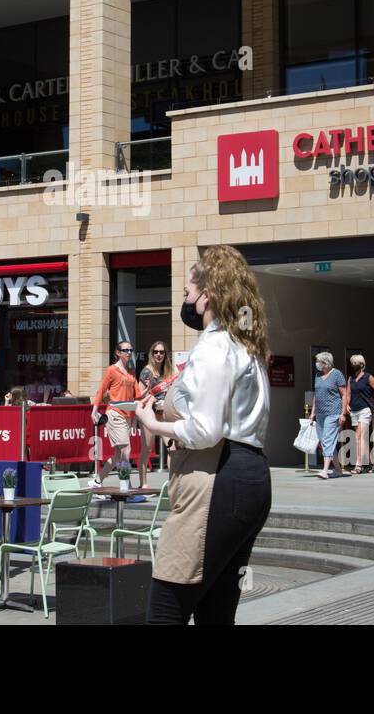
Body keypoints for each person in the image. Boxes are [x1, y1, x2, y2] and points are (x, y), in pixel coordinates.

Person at [133, 245, 271, 625]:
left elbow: (206, 430)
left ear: (207, 295)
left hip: (217, 478)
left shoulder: (214, 346)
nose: (185, 299)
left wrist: (154, 424)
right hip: (250, 475)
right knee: (216, 613)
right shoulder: (247, 344)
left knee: (166, 609)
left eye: (188, 292)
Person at [91, 341, 139, 487]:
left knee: (118, 455)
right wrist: (94, 410)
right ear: (118, 353)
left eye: (130, 350)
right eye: (125, 350)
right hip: (114, 413)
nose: (129, 352)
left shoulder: (131, 372)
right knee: (126, 449)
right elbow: (101, 390)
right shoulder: (112, 370)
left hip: (127, 416)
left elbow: (137, 395)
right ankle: (126, 487)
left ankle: (97, 481)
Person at [137, 340, 175, 487]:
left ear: (165, 354)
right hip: (149, 413)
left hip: (164, 413)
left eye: (161, 352)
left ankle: (173, 483)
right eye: (156, 352)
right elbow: (139, 396)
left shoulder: (169, 371)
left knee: (172, 448)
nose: (158, 355)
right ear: (151, 354)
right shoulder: (147, 371)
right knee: (146, 449)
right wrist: (148, 393)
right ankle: (143, 484)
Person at [308, 352, 349, 479]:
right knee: (325, 442)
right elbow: (317, 394)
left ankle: (325, 471)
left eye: (319, 362)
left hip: (333, 412)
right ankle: (338, 470)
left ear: (325, 363)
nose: (317, 364)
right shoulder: (318, 375)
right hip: (320, 414)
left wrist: (343, 413)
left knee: (327, 440)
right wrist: (312, 412)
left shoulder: (337, 374)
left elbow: (344, 395)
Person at [346, 355, 374, 474]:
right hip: (354, 411)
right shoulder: (350, 378)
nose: (353, 365)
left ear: (361, 364)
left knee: (359, 436)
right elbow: (348, 394)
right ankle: (370, 462)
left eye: (355, 362)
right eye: (352, 363)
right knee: (361, 439)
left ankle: (359, 464)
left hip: (365, 410)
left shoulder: (368, 377)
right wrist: (346, 404)